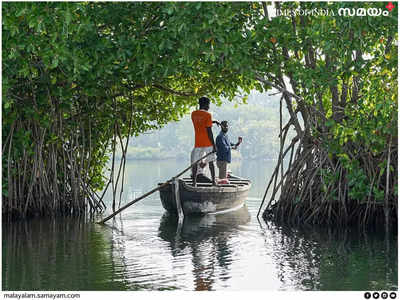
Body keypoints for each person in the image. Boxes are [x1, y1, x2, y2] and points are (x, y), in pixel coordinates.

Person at [191, 96, 220, 186]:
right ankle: (213, 182)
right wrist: (214, 145)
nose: (209, 107)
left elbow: (201, 123)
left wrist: (213, 121)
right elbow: (209, 131)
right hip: (207, 142)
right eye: (209, 104)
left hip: (198, 142)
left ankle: (194, 183)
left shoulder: (193, 114)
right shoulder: (208, 115)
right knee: (211, 162)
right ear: (206, 104)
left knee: (195, 163)